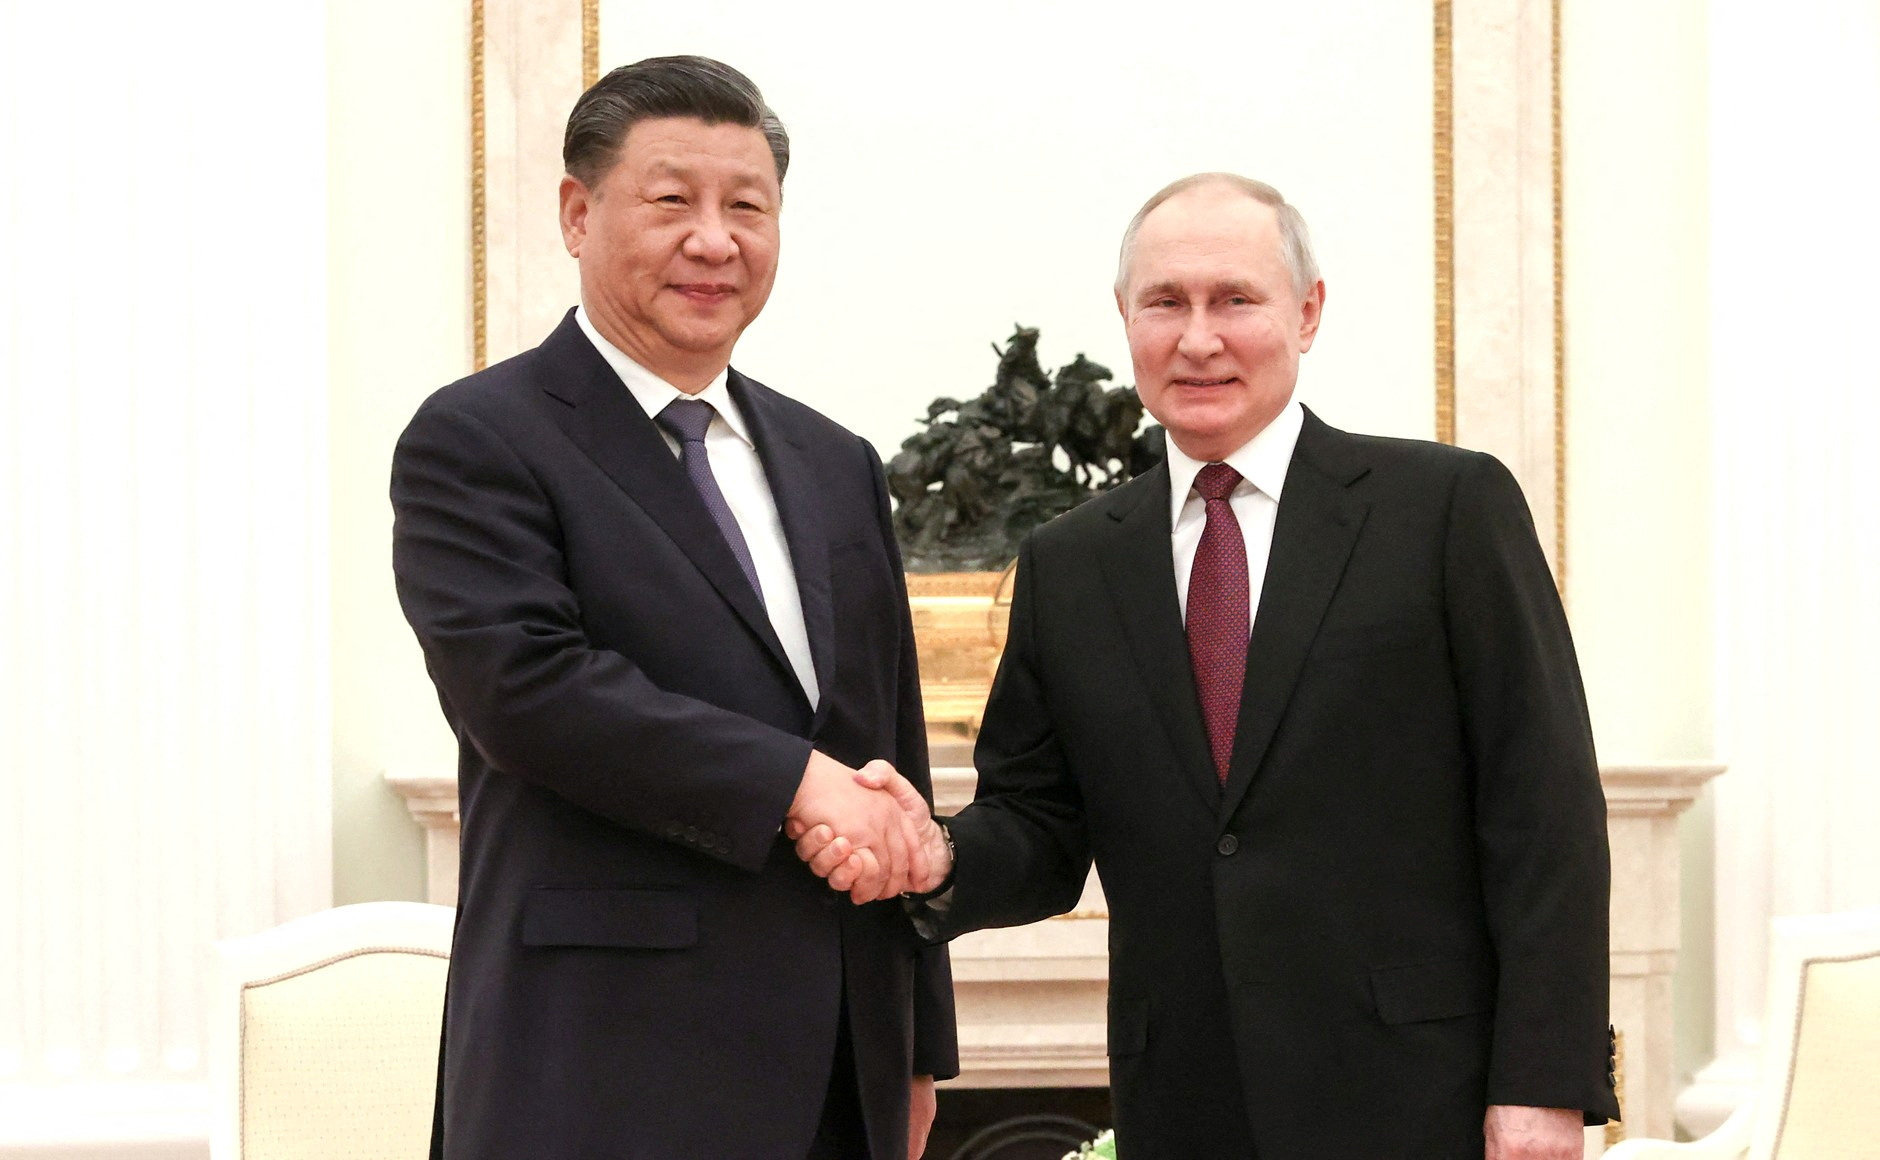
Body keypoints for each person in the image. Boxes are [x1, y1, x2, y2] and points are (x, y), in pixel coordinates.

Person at [796, 174, 1618, 1158]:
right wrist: (938, 854)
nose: (1196, 338)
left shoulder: (1444, 508)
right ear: (1124, 318)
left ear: (1306, 312)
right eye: (1164, 302)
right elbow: (1040, 822)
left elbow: (1542, 809)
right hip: (1183, 1101)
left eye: (1234, 298)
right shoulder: (1069, 561)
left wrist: (1540, 1083)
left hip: (1418, 1098)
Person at [391, 55, 956, 1160]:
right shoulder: (479, 438)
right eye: (671, 201)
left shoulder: (833, 459)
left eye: (746, 206)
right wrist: (790, 781)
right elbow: (526, 691)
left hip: (844, 1066)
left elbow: (886, 752)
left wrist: (919, 1040)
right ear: (575, 211)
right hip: (602, 1062)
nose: (714, 239)